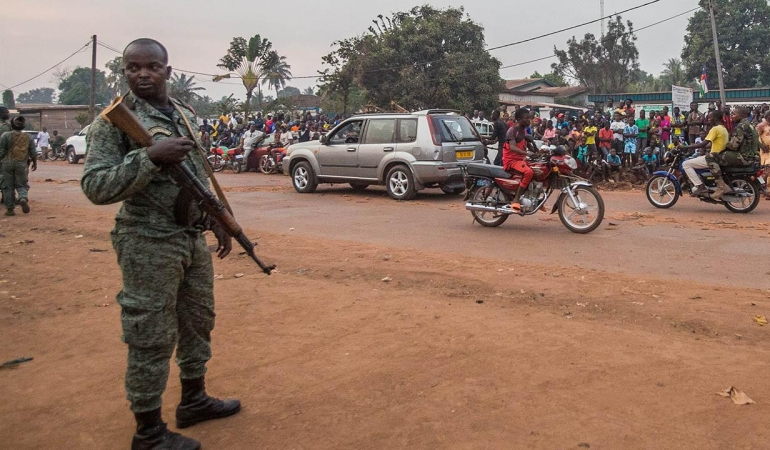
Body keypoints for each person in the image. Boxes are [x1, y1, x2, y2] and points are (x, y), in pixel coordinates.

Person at [80, 38, 240, 450]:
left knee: (197, 320)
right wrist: (148, 158)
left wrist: (215, 220)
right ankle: (148, 431)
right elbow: (95, 186)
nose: (142, 74)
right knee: (150, 332)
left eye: (151, 67)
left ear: (168, 71)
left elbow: (197, 179)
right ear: (125, 71)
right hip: (147, 240)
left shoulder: (184, 115)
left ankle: (194, 400)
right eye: (133, 67)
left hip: (189, 238)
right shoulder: (113, 122)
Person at [679, 110, 732, 199]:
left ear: (715, 118)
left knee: (686, 164)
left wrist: (685, 147)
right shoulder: (723, 129)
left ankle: (699, 185)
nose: (709, 120)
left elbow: (702, 144)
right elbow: (711, 144)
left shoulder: (715, 129)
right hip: (720, 155)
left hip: (713, 157)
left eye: (710, 117)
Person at [0, 116, 38, 215]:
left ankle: (10, 209)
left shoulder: (5, 135)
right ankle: (22, 197)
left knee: (7, 186)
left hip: (6, 164)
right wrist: (35, 163)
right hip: (22, 164)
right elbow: (33, 152)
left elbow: (1, 151)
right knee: (22, 184)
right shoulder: (28, 137)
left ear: (11, 125)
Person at [503, 108, 537, 212]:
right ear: (518, 119)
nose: (529, 120)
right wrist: (528, 153)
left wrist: (539, 152)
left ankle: (533, 198)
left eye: (529, 118)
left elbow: (530, 146)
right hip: (511, 161)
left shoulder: (524, 131)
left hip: (520, 160)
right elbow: (513, 147)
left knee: (539, 171)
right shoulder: (512, 131)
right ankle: (516, 199)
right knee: (528, 172)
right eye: (526, 118)